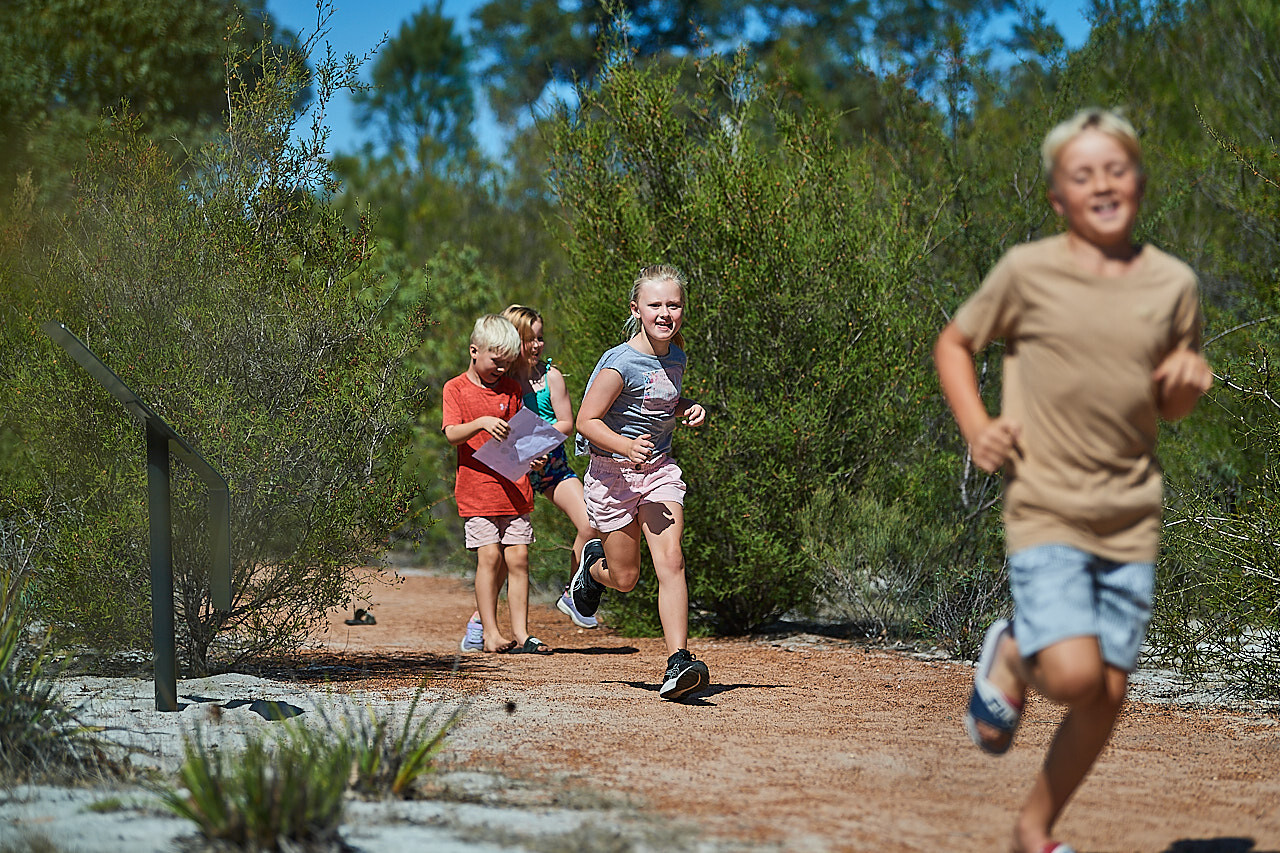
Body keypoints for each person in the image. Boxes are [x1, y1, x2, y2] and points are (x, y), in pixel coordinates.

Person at [933, 108, 1213, 853]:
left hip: (1130, 515)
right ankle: (1016, 651)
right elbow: (956, 342)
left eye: (1115, 169)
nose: (1102, 184)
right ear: (1058, 197)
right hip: (1047, 503)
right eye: (1082, 174)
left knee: (1107, 691)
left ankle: (1034, 830)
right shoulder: (1028, 271)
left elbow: (1171, 404)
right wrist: (975, 425)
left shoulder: (1173, 283)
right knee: (1072, 671)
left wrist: (1187, 381)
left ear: (1141, 181)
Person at [569, 264, 710, 701]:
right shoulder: (619, 363)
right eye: (656, 305)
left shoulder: (677, 355)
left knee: (671, 561)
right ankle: (593, 571)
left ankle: (678, 661)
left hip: (658, 471)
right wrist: (624, 446)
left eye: (674, 304)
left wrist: (688, 407)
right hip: (613, 476)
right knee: (625, 577)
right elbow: (585, 420)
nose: (665, 313)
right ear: (637, 309)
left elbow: (662, 400)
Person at [443, 313, 552, 656]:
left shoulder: (512, 390)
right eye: (495, 361)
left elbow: (519, 439)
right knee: (489, 557)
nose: (501, 369)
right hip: (478, 492)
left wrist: (534, 458)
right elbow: (450, 434)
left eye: (507, 363)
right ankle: (490, 632)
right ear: (474, 351)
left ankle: (521, 633)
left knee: (518, 558)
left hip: (515, 489)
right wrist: (481, 423)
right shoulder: (455, 388)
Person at [501, 304, 602, 629]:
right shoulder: (500, 380)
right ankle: (481, 620)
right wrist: (525, 453)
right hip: (513, 469)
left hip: (553, 467)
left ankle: (574, 592)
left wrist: (538, 447)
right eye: (529, 339)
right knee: (506, 550)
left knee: (591, 522)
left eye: (540, 338)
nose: (537, 346)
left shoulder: (550, 376)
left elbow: (566, 423)